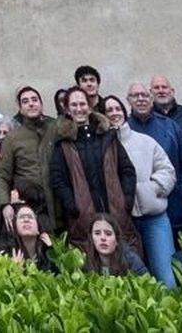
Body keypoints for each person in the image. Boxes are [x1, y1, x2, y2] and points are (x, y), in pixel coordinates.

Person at [50, 87, 139, 251]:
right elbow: (58, 180)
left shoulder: (108, 137)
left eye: (82, 104)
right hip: (83, 219)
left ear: (89, 107)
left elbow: (127, 170)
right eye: (74, 105)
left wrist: (126, 200)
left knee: (126, 263)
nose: (79, 109)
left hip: (117, 214)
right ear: (68, 110)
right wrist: (73, 205)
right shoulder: (63, 144)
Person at [105, 95, 178, 287]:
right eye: (108, 110)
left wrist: (152, 188)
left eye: (117, 109)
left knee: (166, 277)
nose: (114, 113)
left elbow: (167, 170)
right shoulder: (102, 147)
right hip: (123, 221)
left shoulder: (145, 141)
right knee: (137, 280)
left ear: (124, 112)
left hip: (154, 218)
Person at [125, 81, 182, 237]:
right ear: (128, 100)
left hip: (177, 212)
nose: (140, 99)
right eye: (135, 95)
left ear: (151, 98)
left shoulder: (170, 127)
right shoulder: (124, 132)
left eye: (144, 95)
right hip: (139, 216)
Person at [0, 85, 57, 235]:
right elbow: (1, 175)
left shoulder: (55, 129)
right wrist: (4, 204)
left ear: (41, 104)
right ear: (20, 109)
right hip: (32, 208)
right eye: (25, 101)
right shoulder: (13, 138)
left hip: (59, 204)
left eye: (35, 100)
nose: (31, 103)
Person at [82, 213, 149, 276]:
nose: (103, 238)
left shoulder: (131, 260)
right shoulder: (85, 262)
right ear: (91, 238)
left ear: (117, 239)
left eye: (108, 234)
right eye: (97, 233)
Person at [3, 201, 56, 271]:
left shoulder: (48, 250)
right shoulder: (7, 256)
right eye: (21, 217)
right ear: (15, 228)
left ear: (38, 229)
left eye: (30, 217)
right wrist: (14, 271)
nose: (26, 220)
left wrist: (52, 251)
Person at [150, 74, 182, 144]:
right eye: (156, 88)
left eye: (164, 87)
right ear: (150, 92)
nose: (161, 91)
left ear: (172, 91)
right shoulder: (146, 118)